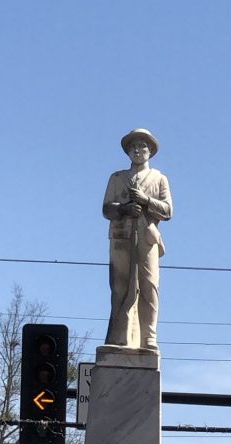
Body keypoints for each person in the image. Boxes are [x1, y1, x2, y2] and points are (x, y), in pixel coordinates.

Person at [102, 129, 172, 349]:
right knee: (120, 286)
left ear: (150, 151)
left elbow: (168, 210)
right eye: (133, 147)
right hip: (121, 237)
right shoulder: (117, 178)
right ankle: (119, 334)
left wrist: (145, 200)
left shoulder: (159, 179)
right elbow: (106, 209)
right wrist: (124, 208)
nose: (138, 150)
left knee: (149, 286)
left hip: (147, 237)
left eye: (142, 146)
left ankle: (148, 336)